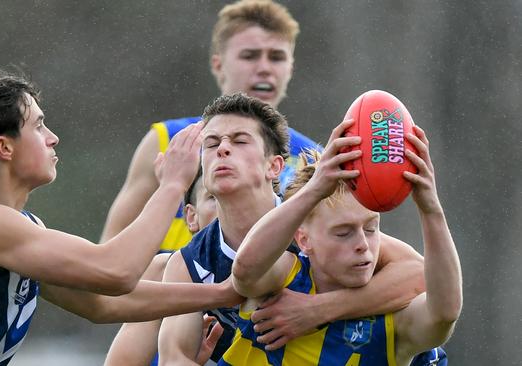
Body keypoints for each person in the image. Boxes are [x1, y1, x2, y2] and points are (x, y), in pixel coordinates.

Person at [0, 71, 244, 366]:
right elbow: (116, 272)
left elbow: (103, 305)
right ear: (4, 147)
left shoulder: (17, 226)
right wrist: (171, 186)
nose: (52, 138)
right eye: (38, 126)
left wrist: (224, 292)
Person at [157, 93, 429, 364]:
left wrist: (319, 310)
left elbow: (419, 274)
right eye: (212, 143)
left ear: (274, 166)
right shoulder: (187, 263)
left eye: (240, 141)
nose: (222, 149)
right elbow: (174, 358)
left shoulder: (310, 218)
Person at [223, 120, 461, 364]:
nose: (362, 244)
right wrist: (315, 189)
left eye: (371, 228)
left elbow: (444, 312)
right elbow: (245, 271)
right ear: (304, 240)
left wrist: (431, 210)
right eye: (343, 233)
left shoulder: (393, 320)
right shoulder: (284, 279)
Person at [100, 0, 318, 250]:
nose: (264, 68)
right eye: (249, 56)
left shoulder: (311, 160)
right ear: (218, 65)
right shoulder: (168, 140)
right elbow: (112, 247)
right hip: (173, 284)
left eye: (277, 57)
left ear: (291, 68)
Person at [105, 168, 221, 365]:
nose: (227, 206)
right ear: (191, 217)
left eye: (239, 195)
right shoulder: (163, 269)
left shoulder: (289, 265)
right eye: (213, 197)